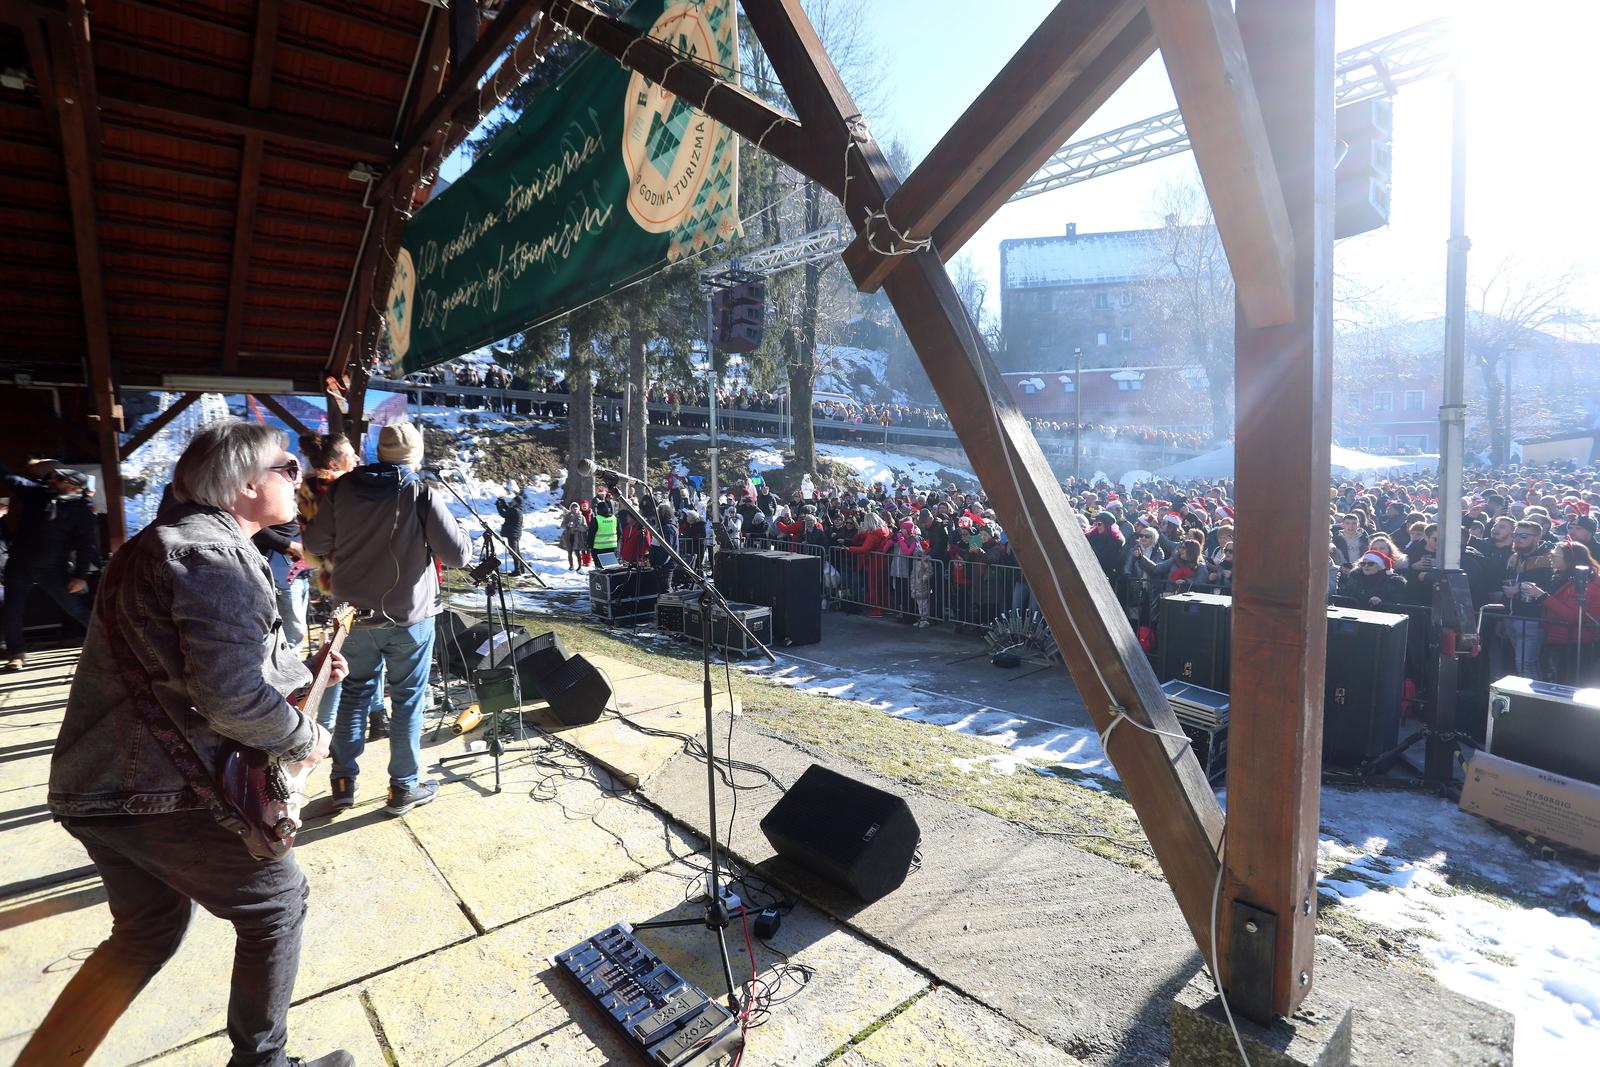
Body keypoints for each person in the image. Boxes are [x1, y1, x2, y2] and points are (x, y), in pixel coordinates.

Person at [23, 420, 351, 1067]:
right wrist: (304, 736)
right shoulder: (212, 554)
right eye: (286, 466)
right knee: (278, 903)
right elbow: (229, 697)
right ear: (246, 482)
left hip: (100, 786)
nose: (297, 476)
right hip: (158, 791)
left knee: (146, 931)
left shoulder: (163, 545)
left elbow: (195, 663)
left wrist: (304, 672)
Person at [303, 422, 471, 815]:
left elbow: (313, 545)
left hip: (353, 618)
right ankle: (403, 787)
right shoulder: (419, 491)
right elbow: (459, 555)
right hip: (409, 620)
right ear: (416, 455)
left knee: (354, 695)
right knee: (408, 701)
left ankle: (343, 782)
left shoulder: (343, 488)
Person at [2, 462, 99, 670]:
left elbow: (85, 546)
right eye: (53, 477)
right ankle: (16, 654)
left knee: (75, 608)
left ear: (75, 487)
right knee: (13, 609)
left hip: (54, 568)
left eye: (59, 479)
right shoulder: (36, 494)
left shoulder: (82, 512)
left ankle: (113, 642)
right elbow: (9, 477)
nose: (52, 480)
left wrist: (80, 576)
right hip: (20, 563)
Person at [1536, 540, 1600, 685]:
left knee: (1571, 684)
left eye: (1555, 554)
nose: (1551, 557)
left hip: (1578, 643)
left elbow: (1573, 616)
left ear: (1569, 560)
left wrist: (1543, 597)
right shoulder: (1563, 577)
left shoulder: (1587, 582)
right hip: (1561, 639)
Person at [1340, 550, 1408, 608]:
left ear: (1380, 566)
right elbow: (1345, 595)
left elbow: (1396, 603)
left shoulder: (1393, 581)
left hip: (1379, 617)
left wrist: (1381, 600)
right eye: (1363, 563)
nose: (1366, 566)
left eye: (1371, 564)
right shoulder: (1355, 576)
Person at [494, 492, 525, 575]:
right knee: (517, 552)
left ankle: (517, 570)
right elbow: (508, 510)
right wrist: (503, 502)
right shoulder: (517, 510)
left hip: (512, 534)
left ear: (517, 502)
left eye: (513, 500)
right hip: (515, 534)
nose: (512, 501)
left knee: (514, 552)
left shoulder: (515, 511)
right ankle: (522, 568)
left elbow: (504, 514)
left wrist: (498, 505)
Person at [559, 502, 588, 571]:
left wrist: (578, 527)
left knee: (577, 552)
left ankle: (579, 566)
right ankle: (571, 566)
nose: (575, 509)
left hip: (578, 537)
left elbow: (585, 527)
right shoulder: (567, 516)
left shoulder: (582, 517)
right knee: (570, 552)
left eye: (576, 508)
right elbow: (562, 525)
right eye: (573, 508)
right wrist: (567, 525)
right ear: (571, 509)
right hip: (568, 536)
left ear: (578, 508)